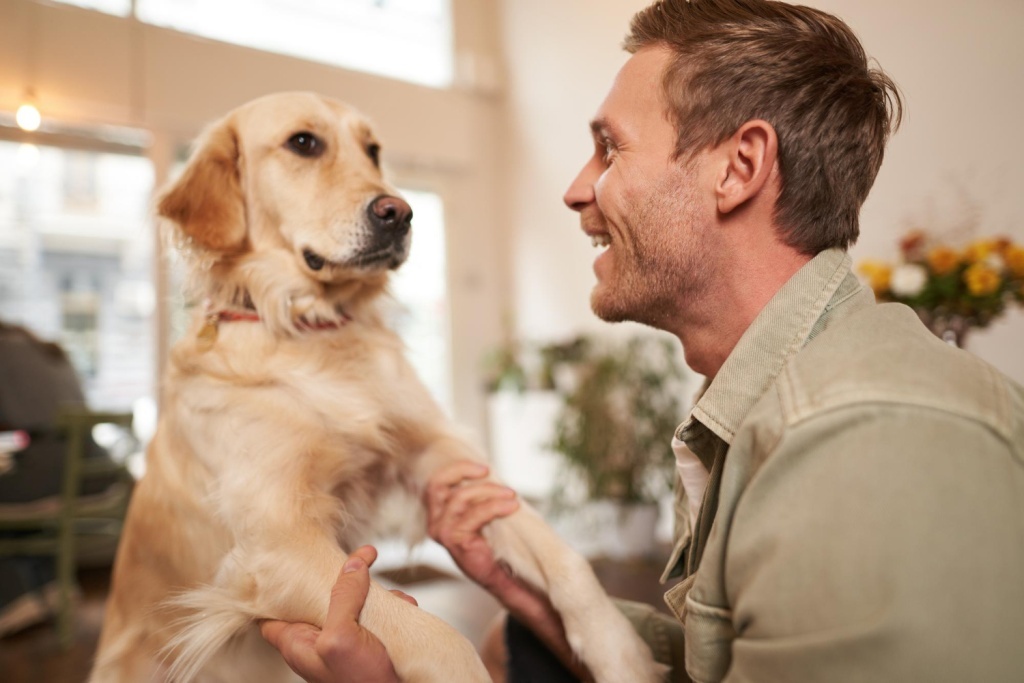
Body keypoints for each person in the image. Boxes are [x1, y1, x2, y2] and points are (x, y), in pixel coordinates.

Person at [262, 0, 1024, 680]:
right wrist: (524, 592)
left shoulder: (864, 440)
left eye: (610, 147)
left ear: (741, 168)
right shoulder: (773, 404)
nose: (575, 188)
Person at [0, 321, 124, 637]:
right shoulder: (51, 352)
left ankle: (12, 595)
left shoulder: (5, 355)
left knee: (11, 493)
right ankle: (48, 583)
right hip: (97, 473)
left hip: (58, 477)